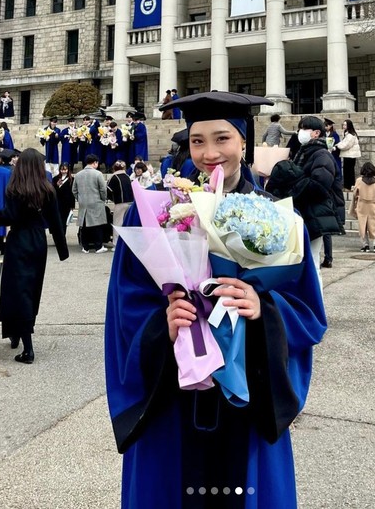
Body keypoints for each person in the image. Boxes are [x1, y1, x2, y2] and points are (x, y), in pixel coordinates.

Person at [105, 91, 326, 508]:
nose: (209, 153)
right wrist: (161, 323)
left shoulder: (274, 217)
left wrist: (264, 309)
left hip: (245, 397)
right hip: (173, 398)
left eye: (222, 138)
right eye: (197, 140)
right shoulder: (153, 212)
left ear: (244, 141)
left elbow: (309, 312)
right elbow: (124, 303)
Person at [0, 148, 69, 364]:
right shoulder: (47, 189)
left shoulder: (15, 188)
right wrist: (62, 249)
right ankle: (18, 332)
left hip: (19, 240)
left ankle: (25, 345)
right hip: (38, 241)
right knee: (31, 289)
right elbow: (56, 220)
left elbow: (9, 216)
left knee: (16, 290)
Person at [282, 116, 344, 271]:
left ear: (316, 133)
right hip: (306, 212)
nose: (300, 132)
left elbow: (318, 185)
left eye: (304, 129)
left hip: (315, 213)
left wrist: (292, 189)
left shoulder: (321, 154)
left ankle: (316, 295)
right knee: (305, 262)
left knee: (312, 262)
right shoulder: (304, 153)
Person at [72, 154, 109, 253]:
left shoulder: (78, 175)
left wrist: (79, 198)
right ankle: (98, 246)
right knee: (97, 225)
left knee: (84, 226)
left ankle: (85, 246)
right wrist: (103, 198)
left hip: (83, 202)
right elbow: (103, 189)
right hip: (96, 202)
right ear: (95, 163)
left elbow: (74, 190)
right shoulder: (98, 174)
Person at [350, 161, 375, 253]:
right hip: (373, 205)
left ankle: (365, 245)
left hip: (362, 205)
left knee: (363, 225)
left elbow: (355, 193)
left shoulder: (359, 181)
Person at [106, 161, 134, 244]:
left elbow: (108, 191)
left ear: (114, 168)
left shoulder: (114, 177)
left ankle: (116, 243)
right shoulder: (127, 176)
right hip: (130, 202)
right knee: (127, 223)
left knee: (117, 224)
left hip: (120, 203)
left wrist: (113, 199)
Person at [336, 119, 361, 191]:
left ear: (349, 125)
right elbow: (343, 142)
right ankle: (347, 186)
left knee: (349, 171)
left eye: (345, 125)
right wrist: (337, 145)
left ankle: (350, 186)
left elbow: (346, 145)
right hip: (348, 155)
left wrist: (337, 146)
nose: (343, 126)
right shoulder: (346, 133)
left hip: (351, 155)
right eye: (343, 124)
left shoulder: (351, 135)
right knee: (347, 171)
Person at [52, 164, 75, 234]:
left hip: (67, 204)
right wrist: (56, 185)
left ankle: (63, 236)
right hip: (58, 202)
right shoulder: (55, 179)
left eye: (65, 169)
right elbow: (52, 191)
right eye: (62, 169)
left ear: (68, 170)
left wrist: (72, 206)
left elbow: (72, 193)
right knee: (58, 221)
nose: (63, 171)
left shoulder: (71, 179)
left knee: (64, 221)